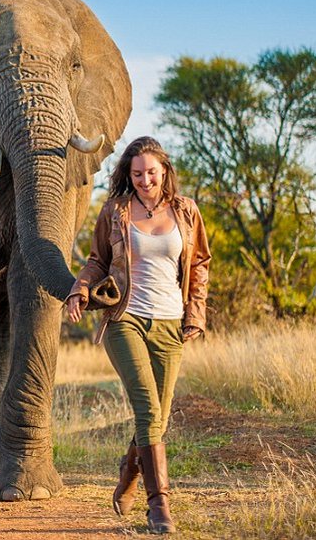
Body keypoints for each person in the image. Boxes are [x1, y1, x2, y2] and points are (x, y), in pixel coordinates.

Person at [66, 136, 211, 535]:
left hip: (170, 323)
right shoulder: (116, 210)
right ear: (127, 175)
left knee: (159, 418)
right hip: (125, 317)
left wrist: (194, 314)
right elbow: (97, 259)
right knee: (148, 407)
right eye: (137, 173)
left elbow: (198, 264)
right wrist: (80, 287)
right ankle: (159, 503)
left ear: (164, 171)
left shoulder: (186, 211)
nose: (145, 180)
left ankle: (130, 471)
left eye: (151, 172)